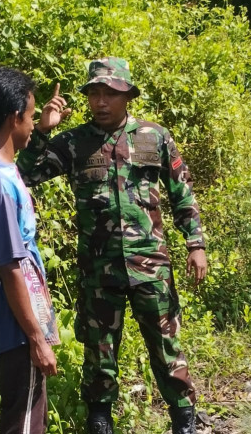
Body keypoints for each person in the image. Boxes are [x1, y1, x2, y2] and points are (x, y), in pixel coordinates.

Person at [16, 57, 207, 434]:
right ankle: (100, 420)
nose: (101, 102)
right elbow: (25, 173)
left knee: (166, 346)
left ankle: (183, 418)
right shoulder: (73, 143)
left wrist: (195, 244)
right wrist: (42, 130)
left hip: (151, 265)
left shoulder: (155, 136)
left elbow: (181, 193)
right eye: (94, 94)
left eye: (110, 94)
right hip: (98, 270)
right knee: (99, 353)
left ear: (128, 96)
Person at [0, 67, 59, 434]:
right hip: (19, 327)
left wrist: (46, 130)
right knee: (23, 423)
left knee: (25, 417)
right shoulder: (1, 186)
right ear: (13, 117)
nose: (33, 123)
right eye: (32, 116)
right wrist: (37, 338)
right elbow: (11, 266)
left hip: (16, 319)